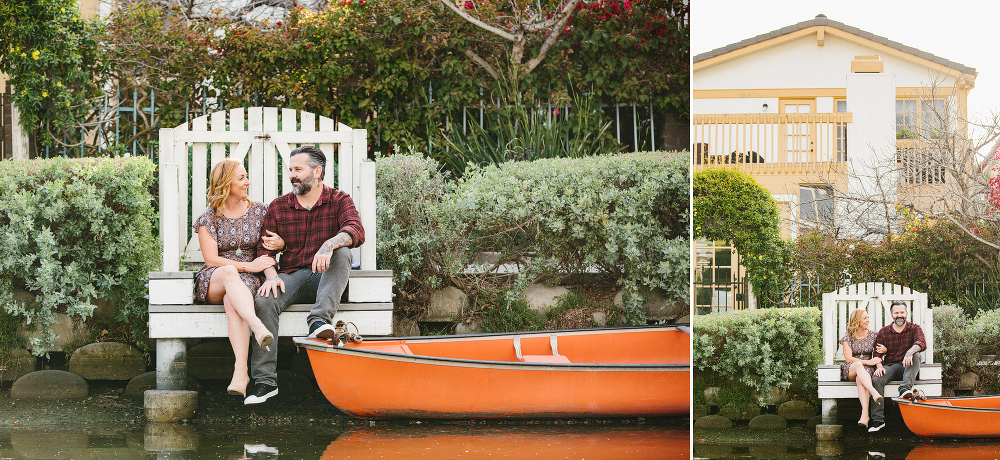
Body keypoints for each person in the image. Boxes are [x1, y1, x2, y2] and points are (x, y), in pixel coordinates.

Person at [245, 145, 365, 405]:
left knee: (343, 253)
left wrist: (329, 244)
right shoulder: (279, 207)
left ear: (317, 171)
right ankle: (265, 382)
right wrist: (271, 275)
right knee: (264, 300)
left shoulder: (339, 200)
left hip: (328, 279)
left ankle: (319, 321)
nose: (292, 175)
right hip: (293, 275)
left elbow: (355, 229)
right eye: (290, 170)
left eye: (298, 169)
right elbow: (261, 249)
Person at [193, 159, 285, 397]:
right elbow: (212, 259)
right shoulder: (208, 218)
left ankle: (241, 372)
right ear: (225, 184)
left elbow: (273, 245)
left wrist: (281, 244)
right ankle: (257, 325)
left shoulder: (260, 211)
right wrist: (246, 265)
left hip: (247, 281)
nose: (247, 182)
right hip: (214, 278)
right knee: (229, 272)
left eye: (246, 176)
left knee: (232, 302)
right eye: (241, 178)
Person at [868, 300, 926, 433]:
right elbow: (876, 353)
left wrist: (910, 352)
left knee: (917, 355)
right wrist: (878, 366)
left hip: (909, 368)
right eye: (896, 313)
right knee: (876, 379)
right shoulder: (884, 332)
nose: (899, 315)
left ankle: (904, 389)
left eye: (902, 312)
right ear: (892, 314)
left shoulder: (914, 328)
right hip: (892, 366)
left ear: (906, 313)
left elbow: (921, 342)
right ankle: (878, 421)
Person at [840, 308, 883, 429]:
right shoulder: (847, 337)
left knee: (861, 379)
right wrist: (867, 362)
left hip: (867, 370)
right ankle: (873, 392)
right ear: (857, 320)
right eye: (865, 318)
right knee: (859, 366)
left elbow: (879, 353)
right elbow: (849, 358)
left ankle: (865, 415)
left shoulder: (874, 335)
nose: (867, 320)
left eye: (868, 317)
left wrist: (882, 355)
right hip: (851, 368)